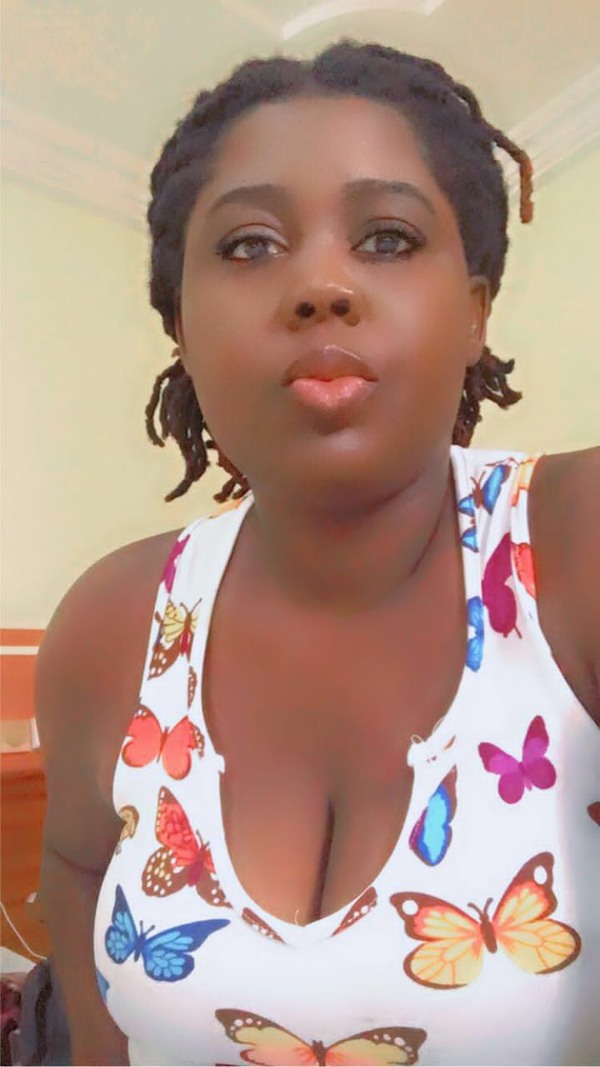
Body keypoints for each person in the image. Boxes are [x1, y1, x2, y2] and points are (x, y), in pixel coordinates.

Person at [35, 39, 599, 1067]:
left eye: (387, 237)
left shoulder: (577, 545)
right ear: (181, 325)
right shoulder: (112, 622)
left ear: (474, 312)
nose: (320, 286)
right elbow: (75, 874)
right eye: (250, 245)